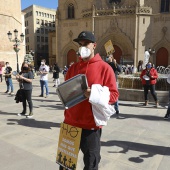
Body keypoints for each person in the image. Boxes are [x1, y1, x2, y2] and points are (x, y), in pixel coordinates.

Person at [59, 31, 119, 170]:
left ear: (94, 45)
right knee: (64, 165)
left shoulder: (105, 68)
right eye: (80, 44)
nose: (82, 47)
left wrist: (94, 94)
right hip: (70, 124)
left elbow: (114, 95)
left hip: (91, 127)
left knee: (91, 165)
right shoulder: (73, 68)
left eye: (86, 44)